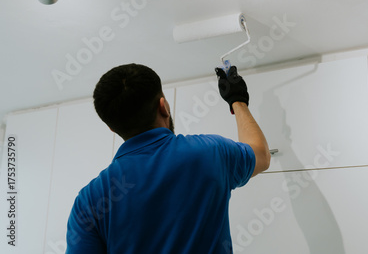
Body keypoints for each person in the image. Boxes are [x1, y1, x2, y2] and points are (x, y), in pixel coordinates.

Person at [65, 63, 271, 254]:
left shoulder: (89, 201)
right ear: (163, 106)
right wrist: (238, 100)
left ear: (111, 126)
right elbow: (261, 154)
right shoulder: (210, 152)